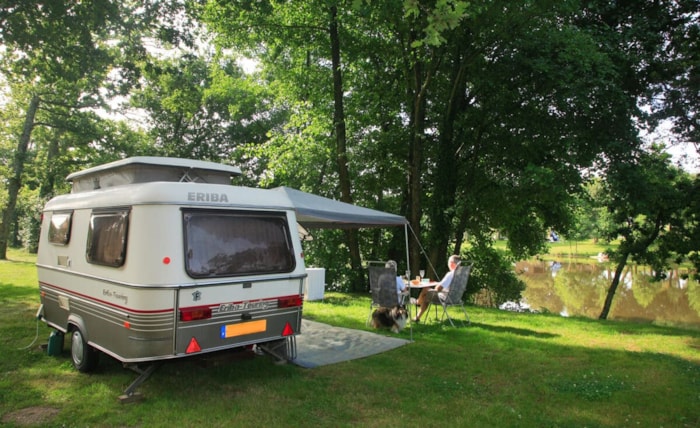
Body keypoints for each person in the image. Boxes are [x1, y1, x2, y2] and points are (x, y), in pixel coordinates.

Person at [412, 255, 461, 322]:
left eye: (448, 262)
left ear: (452, 263)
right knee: (427, 291)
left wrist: (435, 288)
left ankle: (418, 306)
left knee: (426, 290)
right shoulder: (460, 274)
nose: (448, 264)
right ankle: (418, 303)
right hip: (455, 297)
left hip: (446, 297)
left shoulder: (450, 274)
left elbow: (439, 288)